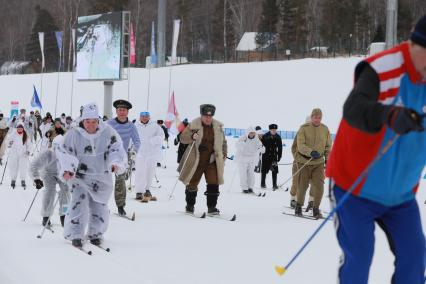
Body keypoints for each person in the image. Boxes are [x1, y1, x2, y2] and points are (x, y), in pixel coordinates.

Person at [326, 16, 426, 284]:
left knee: (415, 258)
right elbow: (353, 109)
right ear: (419, 46)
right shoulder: (384, 69)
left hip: (401, 194)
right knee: (359, 257)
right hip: (353, 187)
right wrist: (390, 115)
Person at [57, 103, 126, 248]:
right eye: (87, 121)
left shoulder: (107, 131)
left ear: (98, 120)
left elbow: (116, 148)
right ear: (82, 120)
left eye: (94, 121)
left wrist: (115, 162)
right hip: (79, 177)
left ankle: (96, 234)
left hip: (101, 176)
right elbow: (65, 152)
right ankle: (75, 234)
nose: (90, 125)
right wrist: (68, 169)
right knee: (79, 203)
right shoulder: (74, 133)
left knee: (99, 206)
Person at [178, 104, 227, 215]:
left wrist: (224, 153)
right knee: (192, 183)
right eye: (206, 116)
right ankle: (190, 206)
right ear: (201, 115)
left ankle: (212, 208)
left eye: (210, 116)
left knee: (214, 183)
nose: (208, 118)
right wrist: (192, 137)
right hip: (196, 160)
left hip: (212, 161)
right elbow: (182, 139)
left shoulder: (218, 127)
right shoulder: (193, 125)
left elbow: (224, 142)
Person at [293, 108, 332, 218]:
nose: (317, 120)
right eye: (315, 117)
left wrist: (328, 159)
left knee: (319, 186)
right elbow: (300, 145)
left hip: (318, 162)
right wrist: (310, 152)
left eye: (319, 118)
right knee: (302, 186)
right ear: (311, 117)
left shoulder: (325, 129)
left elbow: (328, 147)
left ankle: (315, 208)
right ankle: (298, 206)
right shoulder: (303, 128)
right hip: (304, 162)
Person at [107, 99, 140, 215]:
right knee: (104, 181)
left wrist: (134, 151)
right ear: (116, 111)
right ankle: (100, 206)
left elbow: (137, 141)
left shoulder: (131, 126)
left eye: (124, 110)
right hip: (108, 155)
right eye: (120, 110)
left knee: (120, 181)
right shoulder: (109, 124)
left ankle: (120, 206)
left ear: (127, 112)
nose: (122, 112)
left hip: (122, 157)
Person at [30, 135, 70, 227]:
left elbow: (75, 165)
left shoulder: (69, 153)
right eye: (57, 149)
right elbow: (33, 166)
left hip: (63, 173)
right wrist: (36, 179)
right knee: (49, 192)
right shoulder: (47, 154)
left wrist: (72, 173)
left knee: (66, 191)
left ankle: (64, 215)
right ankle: (46, 216)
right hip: (48, 172)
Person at [134, 111, 164, 202]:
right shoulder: (135, 126)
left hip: (152, 153)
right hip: (140, 153)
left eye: (146, 116)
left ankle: (147, 189)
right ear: (140, 117)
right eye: (142, 116)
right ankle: (139, 191)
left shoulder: (155, 126)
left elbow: (161, 136)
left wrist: (153, 141)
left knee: (150, 172)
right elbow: (132, 137)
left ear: (149, 117)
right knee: (140, 172)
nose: (144, 118)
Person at [289, 116, 315, 209]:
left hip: (312, 163)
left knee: (315, 183)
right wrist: (297, 158)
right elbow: (294, 148)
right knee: (296, 182)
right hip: (299, 162)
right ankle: (293, 199)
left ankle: (312, 201)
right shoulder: (300, 133)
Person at [235, 127, 264, 193]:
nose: (252, 134)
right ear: (248, 133)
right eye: (251, 133)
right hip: (243, 159)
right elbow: (237, 144)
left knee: (251, 174)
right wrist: (241, 144)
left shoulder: (256, 139)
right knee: (243, 174)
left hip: (251, 159)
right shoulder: (244, 138)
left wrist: (262, 148)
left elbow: (260, 146)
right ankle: (244, 188)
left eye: (253, 133)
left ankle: (250, 187)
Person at [6, 123, 32, 189]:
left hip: (23, 154)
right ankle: (13, 179)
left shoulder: (26, 135)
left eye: (21, 128)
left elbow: (29, 144)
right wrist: (10, 143)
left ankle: (23, 180)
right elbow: (8, 141)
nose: (20, 129)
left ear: (23, 128)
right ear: (17, 128)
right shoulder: (13, 134)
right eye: (18, 127)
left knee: (23, 167)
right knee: (13, 167)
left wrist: (28, 151)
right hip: (14, 153)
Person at [260, 124, 282, 190]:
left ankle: (274, 185)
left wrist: (279, 156)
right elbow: (261, 145)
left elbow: (280, 147)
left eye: (275, 130)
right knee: (264, 170)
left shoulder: (278, 137)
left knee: (274, 171)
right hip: (265, 156)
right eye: (272, 130)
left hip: (274, 156)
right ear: (270, 130)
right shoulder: (265, 136)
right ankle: (263, 184)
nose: (274, 131)